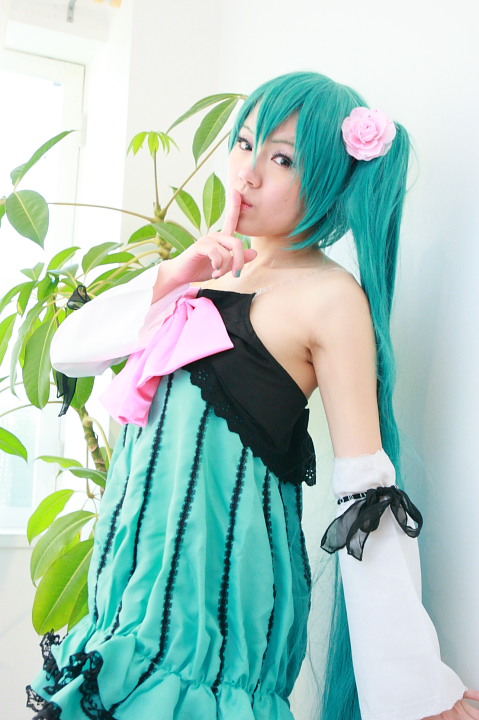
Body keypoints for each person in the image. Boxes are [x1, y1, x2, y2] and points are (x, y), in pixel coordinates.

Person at [26, 71, 478, 720]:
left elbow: (367, 497)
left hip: (216, 611)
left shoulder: (330, 298)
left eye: (282, 159)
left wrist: (416, 692)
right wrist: (176, 271)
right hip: (128, 593)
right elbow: (69, 349)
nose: (248, 172)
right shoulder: (204, 273)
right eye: (244, 143)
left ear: (329, 178)